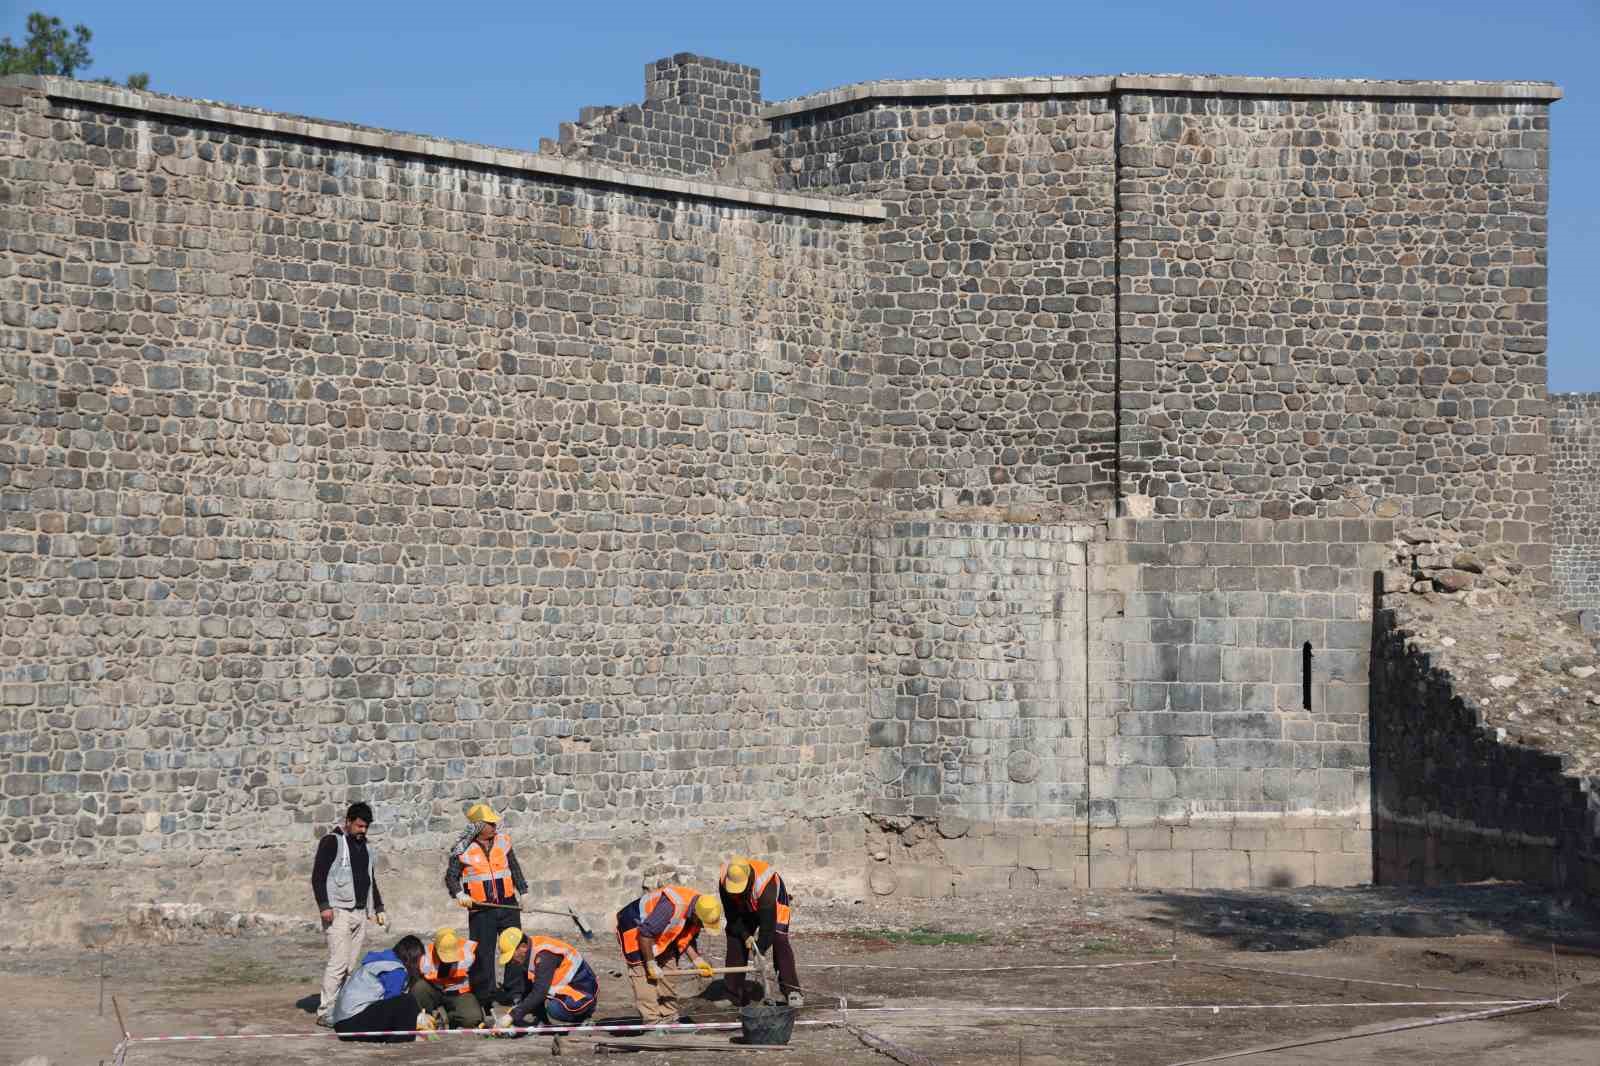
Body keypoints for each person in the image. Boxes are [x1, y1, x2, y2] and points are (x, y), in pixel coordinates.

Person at [445, 802, 528, 1011]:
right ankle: (485, 996)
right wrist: (459, 893)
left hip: (508, 905)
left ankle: (514, 991)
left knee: (516, 947)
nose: (495, 826)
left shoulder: (503, 842)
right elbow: (451, 877)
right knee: (483, 953)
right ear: (479, 826)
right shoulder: (462, 849)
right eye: (490, 823)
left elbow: (514, 867)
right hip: (481, 909)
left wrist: (524, 891)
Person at [311, 801, 386, 1028]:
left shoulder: (366, 847)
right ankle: (325, 1010)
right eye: (360, 826)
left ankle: (341, 1006)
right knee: (338, 963)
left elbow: (371, 880)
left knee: (351, 965)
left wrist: (379, 908)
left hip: (360, 912)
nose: (363, 831)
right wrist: (324, 905)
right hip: (337, 912)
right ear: (349, 821)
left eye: (366, 827)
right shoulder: (331, 842)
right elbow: (318, 876)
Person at [614, 884, 722, 1028]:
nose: (702, 928)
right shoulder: (671, 906)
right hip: (635, 928)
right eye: (702, 924)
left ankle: (669, 1017)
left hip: (659, 932)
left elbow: (685, 936)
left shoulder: (702, 906)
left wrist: (697, 960)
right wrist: (651, 964)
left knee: (669, 971)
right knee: (644, 976)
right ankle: (652, 1022)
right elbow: (645, 934)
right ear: (697, 915)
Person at [719, 856, 803, 1007]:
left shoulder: (766, 885)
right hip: (744, 906)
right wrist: (746, 936)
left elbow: (768, 927)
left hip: (773, 905)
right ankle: (733, 993)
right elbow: (732, 917)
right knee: (734, 937)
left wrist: (760, 950)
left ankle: (792, 991)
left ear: (749, 879)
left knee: (779, 939)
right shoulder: (725, 880)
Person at [496, 928, 599, 1030]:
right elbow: (529, 990)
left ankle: (582, 1018)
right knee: (533, 1002)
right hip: (568, 990)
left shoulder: (544, 956)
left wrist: (512, 1016)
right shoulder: (530, 951)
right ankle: (546, 1020)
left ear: (523, 947)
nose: (512, 962)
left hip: (582, 995)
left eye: (512, 956)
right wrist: (515, 1012)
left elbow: (540, 992)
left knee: (553, 1009)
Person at [330, 935, 426, 1042]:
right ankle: (404, 1039)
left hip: (341, 1023)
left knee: (404, 1002)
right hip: (351, 1024)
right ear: (413, 957)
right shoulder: (396, 970)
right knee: (407, 1001)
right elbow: (394, 1005)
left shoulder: (382, 960)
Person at [414, 928, 486, 1030]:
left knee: (472, 1019)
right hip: (435, 991)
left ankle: (447, 1018)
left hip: (460, 994)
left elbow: (481, 980)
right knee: (419, 988)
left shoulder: (469, 952)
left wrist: (482, 1003)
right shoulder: (425, 956)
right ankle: (427, 1019)